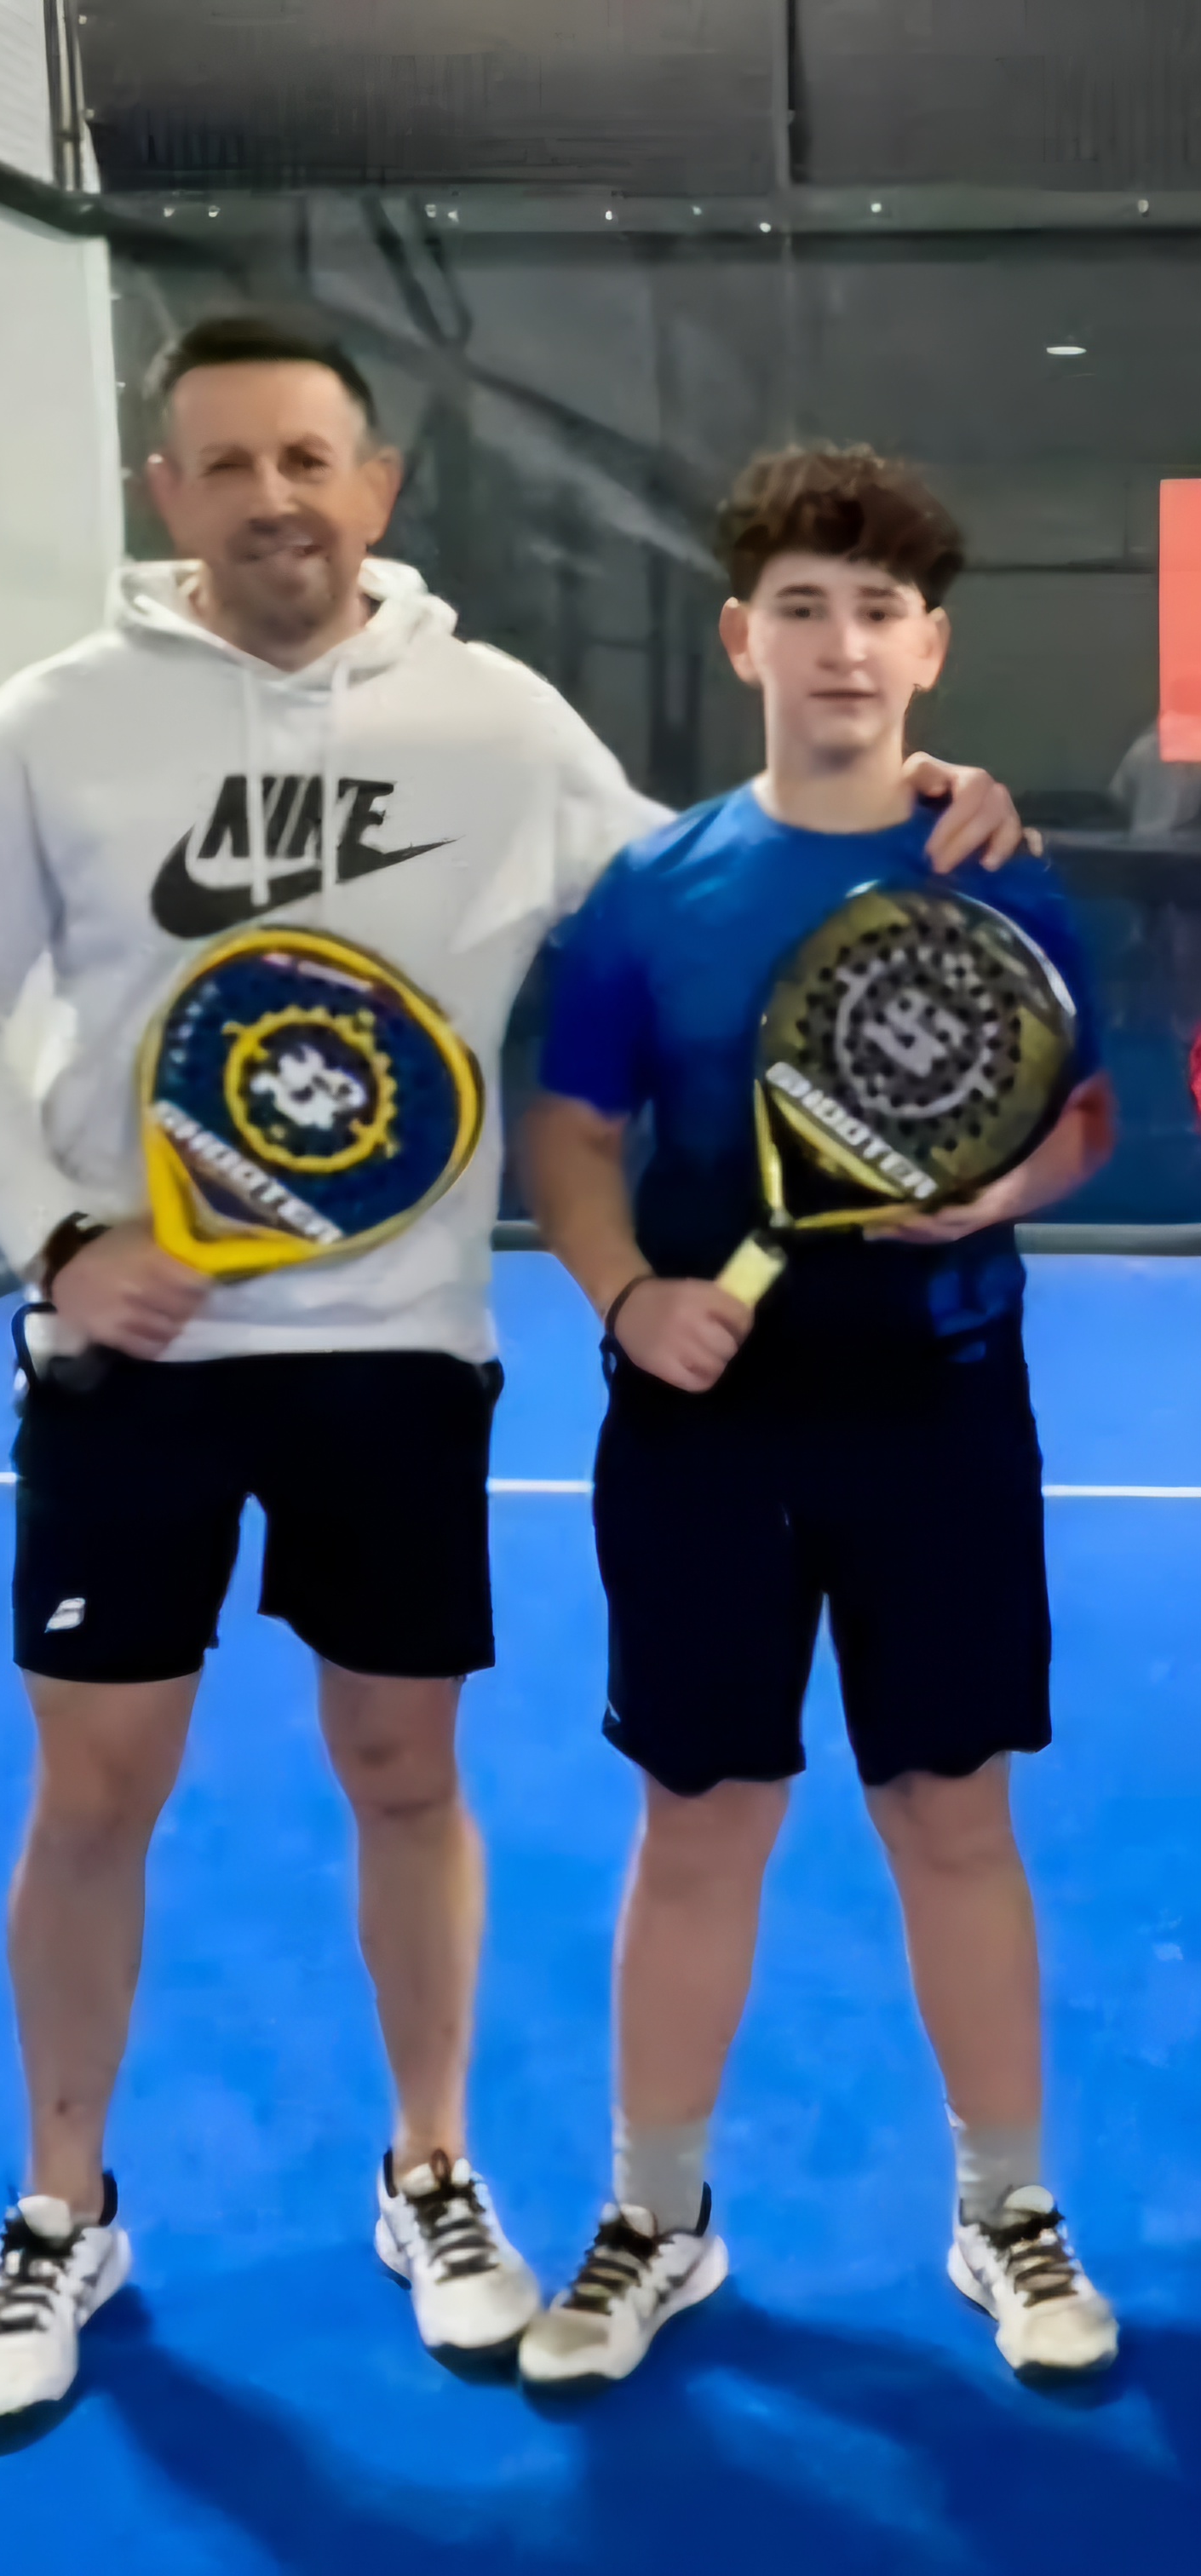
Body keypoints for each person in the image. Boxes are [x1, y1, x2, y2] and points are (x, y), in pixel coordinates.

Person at [0, 321, 1031, 2424]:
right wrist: (54, 1238)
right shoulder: (48, 727)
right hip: (133, 1355)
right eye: (225, 464)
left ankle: (430, 2174)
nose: (272, 498)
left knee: (405, 1774)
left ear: (376, 488)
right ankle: (58, 2210)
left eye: (307, 458)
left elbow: (703, 898)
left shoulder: (494, 722)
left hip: (396, 1359)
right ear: (166, 496)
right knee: (95, 1788)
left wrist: (902, 812)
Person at [520, 444, 1120, 2390]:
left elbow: (1079, 1116)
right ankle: (655, 2219)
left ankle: (1004, 2210)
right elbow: (571, 1132)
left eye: (877, 612)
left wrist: (999, 1189)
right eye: (802, 608)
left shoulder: (991, 869)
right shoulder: (650, 892)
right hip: (701, 1428)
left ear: (926, 650)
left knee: (951, 1813)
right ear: (739, 638)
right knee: (698, 1819)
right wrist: (629, 1297)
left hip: (938, 1408)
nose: (840, 644)